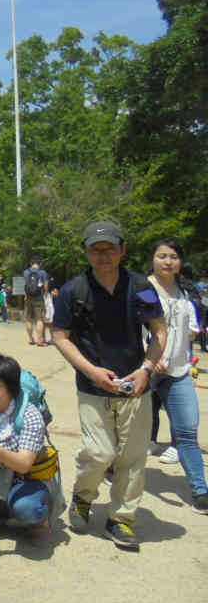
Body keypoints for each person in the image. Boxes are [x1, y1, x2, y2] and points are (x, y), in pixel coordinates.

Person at [52, 220, 167, 550]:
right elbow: (60, 337)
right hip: (92, 387)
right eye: (95, 248)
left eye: (110, 248)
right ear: (86, 252)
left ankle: (122, 518)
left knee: (132, 457)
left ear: (123, 250)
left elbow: (159, 331)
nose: (103, 254)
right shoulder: (74, 289)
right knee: (99, 452)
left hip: (136, 383)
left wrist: (146, 369)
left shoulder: (140, 285)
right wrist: (91, 371)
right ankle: (83, 498)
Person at [0, 355, 64, 541]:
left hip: (25, 478)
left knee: (26, 508)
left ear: (11, 388)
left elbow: (23, 465)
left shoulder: (29, 416)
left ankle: (38, 518)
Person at [144, 239, 207, 512]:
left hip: (178, 371)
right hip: (144, 371)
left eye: (173, 256)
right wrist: (150, 359)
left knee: (187, 432)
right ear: (153, 259)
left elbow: (190, 329)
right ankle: (112, 469)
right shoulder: (142, 289)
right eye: (162, 256)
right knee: (129, 432)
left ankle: (201, 491)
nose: (168, 261)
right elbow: (134, 328)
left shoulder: (184, 292)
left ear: (180, 261)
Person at [23, 257, 50, 346]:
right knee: (39, 319)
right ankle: (40, 340)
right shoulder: (42, 272)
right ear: (40, 264)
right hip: (39, 297)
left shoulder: (26, 272)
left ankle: (31, 339)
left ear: (31, 264)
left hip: (28, 297)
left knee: (29, 319)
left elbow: (26, 285)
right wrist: (45, 294)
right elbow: (46, 287)